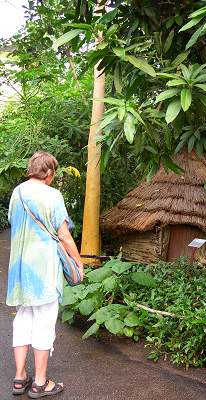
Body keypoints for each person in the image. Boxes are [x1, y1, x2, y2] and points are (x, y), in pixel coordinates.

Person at [6, 151, 84, 398]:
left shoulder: (17, 194)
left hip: (19, 269)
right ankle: (40, 382)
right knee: (44, 322)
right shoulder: (52, 195)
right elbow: (64, 235)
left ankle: (20, 379)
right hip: (43, 271)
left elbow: (13, 221)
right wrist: (78, 262)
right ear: (49, 173)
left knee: (22, 319)